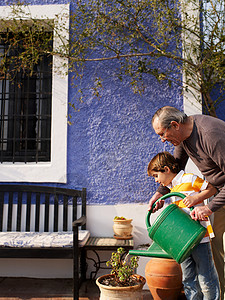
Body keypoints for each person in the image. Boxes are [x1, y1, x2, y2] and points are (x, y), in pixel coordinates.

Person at [150, 106, 225, 299]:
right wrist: (160, 193)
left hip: (220, 193)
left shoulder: (209, 135)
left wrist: (209, 206)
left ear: (174, 125)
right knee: (216, 252)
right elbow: (175, 165)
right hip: (218, 192)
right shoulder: (183, 137)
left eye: (162, 134)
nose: (162, 139)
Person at [148, 151, 220, 300]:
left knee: (206, 278)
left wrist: (196, 198)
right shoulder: (173, 189)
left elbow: (212, 189)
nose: (155, 181)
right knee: (188, 279)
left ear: (166, 169)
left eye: (156, 176)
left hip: (200, 239)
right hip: (183, 242)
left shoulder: (189, 178)